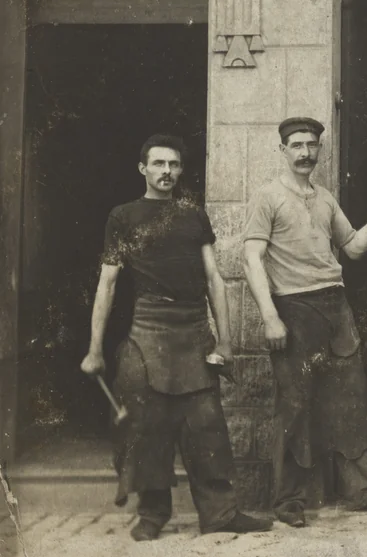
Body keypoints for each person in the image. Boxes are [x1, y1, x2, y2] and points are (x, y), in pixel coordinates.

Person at [80, 134, 272, 541]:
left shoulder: (193, 215)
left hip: (193, 331)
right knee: (149, 425)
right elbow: (108, 283)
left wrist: (225, 340)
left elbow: (213, 278)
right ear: (143, 169)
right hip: (148, 329)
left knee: (207, 425)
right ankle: (152, 514)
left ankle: (221, 512)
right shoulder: (123, 216)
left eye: (174, 164)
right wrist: (95, 348)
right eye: (158, 164)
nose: (166, 171)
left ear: (181, 170)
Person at [242, 117, 367, 527]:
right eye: (296, 145)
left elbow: (352, 247)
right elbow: (250, 258)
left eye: (311, 145)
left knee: (352, 401)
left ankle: (365, 492)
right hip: (294, 310)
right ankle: (288, 502)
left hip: (337, 308)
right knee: (295, 408)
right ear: (283, 150)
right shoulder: (267, 197)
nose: (305, 153)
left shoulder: (325, 198)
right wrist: (270, 318)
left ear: (319, 149)